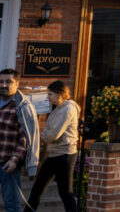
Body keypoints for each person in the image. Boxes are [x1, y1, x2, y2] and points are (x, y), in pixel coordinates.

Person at [26, 80, 79, 212]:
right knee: (37, 189)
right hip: (53, 154)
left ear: (60, 94)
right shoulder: (57, 108)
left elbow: (52, 135)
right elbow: (47, 132)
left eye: (50, 94)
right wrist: (47, 136)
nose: (47, 97)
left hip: (65, 155)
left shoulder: (68, 109)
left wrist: (46, 137)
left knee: (66, 193)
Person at [0, 68, 38, 211]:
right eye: (1, 82)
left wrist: (14, 159)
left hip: (7, 164)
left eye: (8, 82)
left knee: (12, 204)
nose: (4, 85)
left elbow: (25, 139)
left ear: (17, 84)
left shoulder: (22, 107)